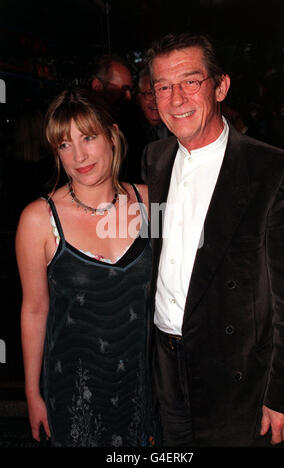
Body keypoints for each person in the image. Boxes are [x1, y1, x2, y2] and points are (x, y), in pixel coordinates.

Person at [142, 32, 284, 447]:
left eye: (191, 82)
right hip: (165, 365)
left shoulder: (274, 171)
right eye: (163, 86)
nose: (176, 99)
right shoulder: (154, 160)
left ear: (220, 86)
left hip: (236, 378)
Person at [15, 88, 159, 447]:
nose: (78, 155)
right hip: (74, 393)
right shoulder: (38, 219)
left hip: (146, 389)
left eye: (89, 137)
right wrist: (33, 393)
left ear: (112, 135)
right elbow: (34, 309)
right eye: (64, 144)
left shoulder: (151, 202)